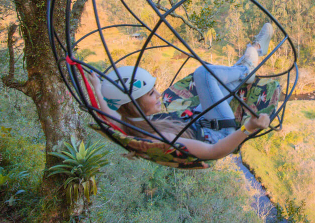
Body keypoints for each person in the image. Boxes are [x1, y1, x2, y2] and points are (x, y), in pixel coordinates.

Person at [88, 23, 274, 160]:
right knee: (204, 73)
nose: (159, 94)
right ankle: (249, 62)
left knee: (219, 83)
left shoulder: (129, 123)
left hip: (199, 118)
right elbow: (213, 152)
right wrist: (247, 128)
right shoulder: (162, 138)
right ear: (134, 105)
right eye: (151, 93)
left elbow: (108, 113)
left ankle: (253, 53)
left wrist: (97, 87)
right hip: (221, 132)